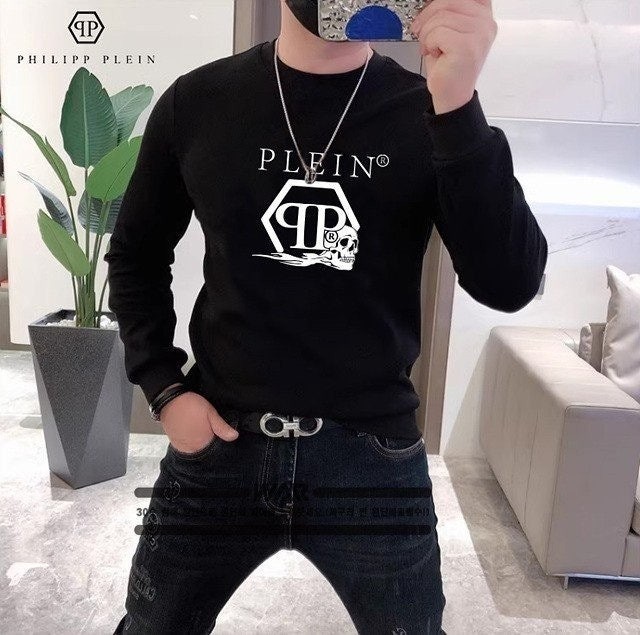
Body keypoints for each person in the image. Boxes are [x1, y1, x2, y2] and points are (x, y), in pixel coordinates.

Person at [106, 1, 547, 633]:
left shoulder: (426, 109)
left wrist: (458, 104)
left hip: (372, 456)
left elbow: (509, 284)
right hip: (222, 443)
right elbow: (136, 253)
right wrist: (164, 387)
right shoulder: (198, 101)